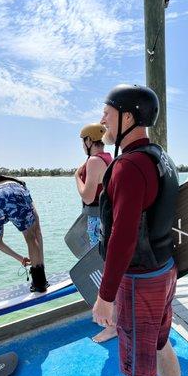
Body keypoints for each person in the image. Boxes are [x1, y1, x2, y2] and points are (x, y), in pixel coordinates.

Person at [93, 84, 181, 376]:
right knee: (160, 345)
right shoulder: (160, 157)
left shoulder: (128, 166)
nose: (102, 118)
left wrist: (106, 296)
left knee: (138, 373)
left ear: (128, 117)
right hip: (164, 269)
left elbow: (123, 236)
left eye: (108, 112)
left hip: (139, 281)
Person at [74, 123, 116, 343]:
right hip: (107, 219)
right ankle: (111, 317)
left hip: (96, 221)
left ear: (88, 141)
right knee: (107, 267)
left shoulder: (93, 161)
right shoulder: (108, 158)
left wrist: (76, 180)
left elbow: (88, 196)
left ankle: (112, 325)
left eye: (83, 142)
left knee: (100, 269)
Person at [0, 176, 48, 292]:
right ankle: (39, 283)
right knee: (30, 237)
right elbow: (37, 232)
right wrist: (40, 267)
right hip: (15, 190)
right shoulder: (22, 190)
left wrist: (21, 259)